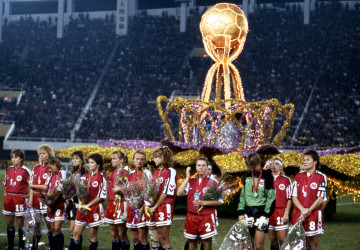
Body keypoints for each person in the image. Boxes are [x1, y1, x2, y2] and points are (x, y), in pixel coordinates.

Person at [177, 157, 223, 250]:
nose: (201, 167)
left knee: (207, 245)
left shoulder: (213, 182)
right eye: (199, 165)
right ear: (196, 168)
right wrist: (187, 177)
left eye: (203, 165)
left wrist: (203, 202)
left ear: (207, 168)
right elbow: (179, 193)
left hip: (206, 216)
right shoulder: (191, 181)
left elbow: (220, 201)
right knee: (191, 245)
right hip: (191, 217)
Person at [237, 152, 276, 250]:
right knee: (248, 245)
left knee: (259, 245)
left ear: (259, 163)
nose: (251, 169)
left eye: (253, 167)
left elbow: (271, 197)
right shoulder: (248, 175)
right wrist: (241, 212)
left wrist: (265, 215)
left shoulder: (267, 175)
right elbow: (243, 196)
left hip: (261, 212)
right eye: (250, 167)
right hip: (248, 212)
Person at [69, 153, 107, 250]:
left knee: (92, 234)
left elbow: (101, 197)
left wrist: (87, 205)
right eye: (89, 162)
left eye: (92, 162)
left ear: (98, 164)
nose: (89, 164)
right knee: (76, 233)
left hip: (94, 209)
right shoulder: (86, 176)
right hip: (82, 209)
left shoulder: (101, 178)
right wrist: (81, 204)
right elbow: (80, 192)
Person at [291, 149, 327, 250]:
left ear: (315, 162)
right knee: (299, 243)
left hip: (313, 213)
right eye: (304, 160)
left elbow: (320, 199)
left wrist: (308, 211)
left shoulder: (321, 177)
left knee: (313, 243)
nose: (305, 162)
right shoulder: (298, 177)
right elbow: (294, 196)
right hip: (298, 213)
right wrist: (302, 210)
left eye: (308, 159)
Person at [147, 146, 177, 250]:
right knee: (155, 240)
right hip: (153, 207)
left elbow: (166, 192)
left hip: (164, 206)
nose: (154, 159)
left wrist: (155, 206)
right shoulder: (155, 171)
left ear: (163, 158)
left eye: (156, 157)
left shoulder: (170, 171)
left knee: (163, 239)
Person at [35, 157, 66, 250]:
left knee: (57, 229)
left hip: (59, 205)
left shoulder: (62, 173)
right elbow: (48, 189)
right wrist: (44, 197)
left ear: (55, 164)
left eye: (49, 167)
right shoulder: (50, 175)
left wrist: (52, 202)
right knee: (52, 229)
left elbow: (60, 189)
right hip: (51, 205)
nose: (49, 170)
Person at [3, 149, 32, 250]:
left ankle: (21, 246)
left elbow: (32, 185)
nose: (13, 159)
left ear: (21, 159)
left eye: (16, 157)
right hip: (9, 199)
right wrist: (5, 192)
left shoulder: (26, 171)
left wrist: (28, 196)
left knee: (20, 224)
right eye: (12, 157)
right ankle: (10, 246)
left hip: (19, 198)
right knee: (9, 223)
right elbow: (5, 183)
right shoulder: (9, 169)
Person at [28, 144, 55, 249]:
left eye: (44, 153)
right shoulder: (36, 167)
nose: (41, 156)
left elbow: (46, 187)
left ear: (49, 154)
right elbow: (31, 185)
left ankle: (52, 246)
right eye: (40, 154)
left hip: (45, 199)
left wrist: (34, 186)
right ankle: (34, 245)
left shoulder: (51, 168)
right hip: (35, 200)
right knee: (35, 225)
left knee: (49, 225)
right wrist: (30, 199)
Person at [126, 149, 152, 250]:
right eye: (137, 159)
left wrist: (142, 208)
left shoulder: (147, 174)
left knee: (142, 238)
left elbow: (149, 193)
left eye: (142, 159)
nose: (139, 161)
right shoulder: (130, 175)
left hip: (142, 209)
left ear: (145, 161)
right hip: (131, 209)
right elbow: (127, 193)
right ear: (133, 160)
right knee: (135, 238)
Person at [105, 150, 131, 250]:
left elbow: (132, 188)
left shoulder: (127, 171)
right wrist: (107, 179)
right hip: (111, 204)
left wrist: (120, 189)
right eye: (112, 159)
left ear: (121, 160)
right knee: (114, 235)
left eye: (114, 158)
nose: (112, 161)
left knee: (122, 234)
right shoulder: (114, 172)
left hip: (122, 203)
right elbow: (110, 191)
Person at [264, 158, 292, 249]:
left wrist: (286, 213)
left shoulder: (286, 180)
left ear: (280, 166)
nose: (274, 165)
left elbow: (290, 198)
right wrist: (264, 169)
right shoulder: (267, 177)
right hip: (269, 211)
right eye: (272, 163)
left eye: (276, 163)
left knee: (282, 239)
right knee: (272, 239)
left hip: (280, 211)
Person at [65, 151, 87, 245]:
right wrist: (66, 197)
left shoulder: (84, 172)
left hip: (80, 203)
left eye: (76, 158)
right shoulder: (72, 172)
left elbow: (84, 189)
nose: (74, 160)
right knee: (72, 230)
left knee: (75, 230)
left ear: (82, 160)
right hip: (72, 203)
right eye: (73, 158)